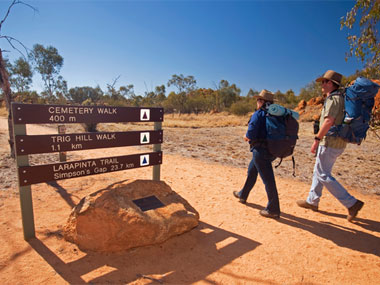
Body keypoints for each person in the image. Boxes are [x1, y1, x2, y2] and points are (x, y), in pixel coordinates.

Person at [297, 70, 364, 222]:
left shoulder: (334, 99)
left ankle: (351, 203)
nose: (322, 84)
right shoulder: (339, 98)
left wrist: (316, 139)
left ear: (331, 84)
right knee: (319, 170)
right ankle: (312, 201)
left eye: (324, 82)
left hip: (329, 142)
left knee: (323, 174)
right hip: (337, 141)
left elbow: (328, 121)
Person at [233, 89, 280, 219]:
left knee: (268, 180)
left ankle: (273, 209)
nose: (257, 102)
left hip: (261, 150)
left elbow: (251, 134)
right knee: (252, 171)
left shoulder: (259, 114)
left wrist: (245, 136)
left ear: (262, 101)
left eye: (259, 99)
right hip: (273, 150)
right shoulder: (276, 114)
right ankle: (243, 194)